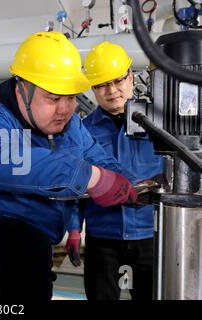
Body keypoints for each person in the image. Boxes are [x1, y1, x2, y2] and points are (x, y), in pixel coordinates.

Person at [0, 32, 138, 301]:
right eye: (53, 98)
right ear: (23, 88)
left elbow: (99, 157)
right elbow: (0, 160)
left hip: (38, 231)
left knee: (21, 272)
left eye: (70, 97)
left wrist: (130, 183)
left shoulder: (72, 125)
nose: (64, 109)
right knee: (25, 261)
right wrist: (91, 177)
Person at [65, 41, 165, 300]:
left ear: (131, 76)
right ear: (92, 88)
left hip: (150, 236)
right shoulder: (83, 130)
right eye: (101, 84)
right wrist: (74, 229)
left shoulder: (159, 123)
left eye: (118, 81)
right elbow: (76, 184)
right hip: (103, 238)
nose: (111, 91)